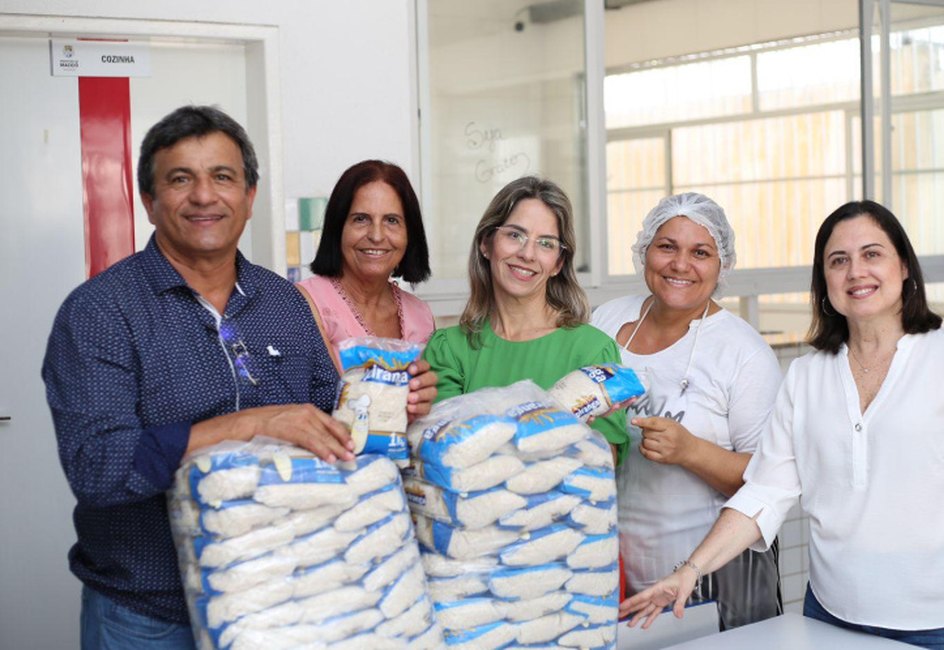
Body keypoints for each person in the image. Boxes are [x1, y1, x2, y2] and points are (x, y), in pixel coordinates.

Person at [41, 105, 436, 649]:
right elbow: (99, 469)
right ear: (149, 201)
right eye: (181, 179)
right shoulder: (101, 313)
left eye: (223, 177)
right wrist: (247, 424)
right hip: (152, 615)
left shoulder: (282, 303)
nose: (205, 196)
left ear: (249, 197)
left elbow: (332, 414)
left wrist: (394, 398)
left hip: (291, 599)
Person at [620, 200, 944, 650]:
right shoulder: (808, 376)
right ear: (824, 280)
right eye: (838, 261)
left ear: (904, 266)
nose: (856, 272)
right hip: (830, 616)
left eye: (872, 254)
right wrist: (689, 572)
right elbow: (765, 491)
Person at [592, 192, 783, 630]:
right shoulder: (605, 320)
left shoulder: (743, 353)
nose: (681, 264)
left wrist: (691, 451)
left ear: (723, 264)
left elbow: (769, 481)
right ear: (645, 251)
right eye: (667, 247)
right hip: (619, 572)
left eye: (701, 252)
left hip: (713, 578)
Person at [422, 175, 629, 465]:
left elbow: (601, 466)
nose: (527, 254)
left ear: (558, 263)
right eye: (515, 235)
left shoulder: (591, 351)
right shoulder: (449, 349)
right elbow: (443, 455)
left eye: (546, 243)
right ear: (486, 243)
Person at [298, 160, 435, 369]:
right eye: (361, 219)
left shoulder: (420, 315)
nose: (377, 236)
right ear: (338, 228)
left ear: (410, 234)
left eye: (391, 220)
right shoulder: (304, 303)